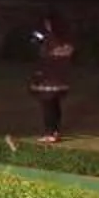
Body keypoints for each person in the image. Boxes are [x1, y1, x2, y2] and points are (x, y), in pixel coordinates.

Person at [31, 11, 76, 142]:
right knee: (54, 104)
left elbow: (55, 53)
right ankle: (54, 131)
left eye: (48, 23)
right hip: (57, 75)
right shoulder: (56, 37)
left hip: (50, 77)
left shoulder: (54, 38)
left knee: (48, 104)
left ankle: (50, 133)